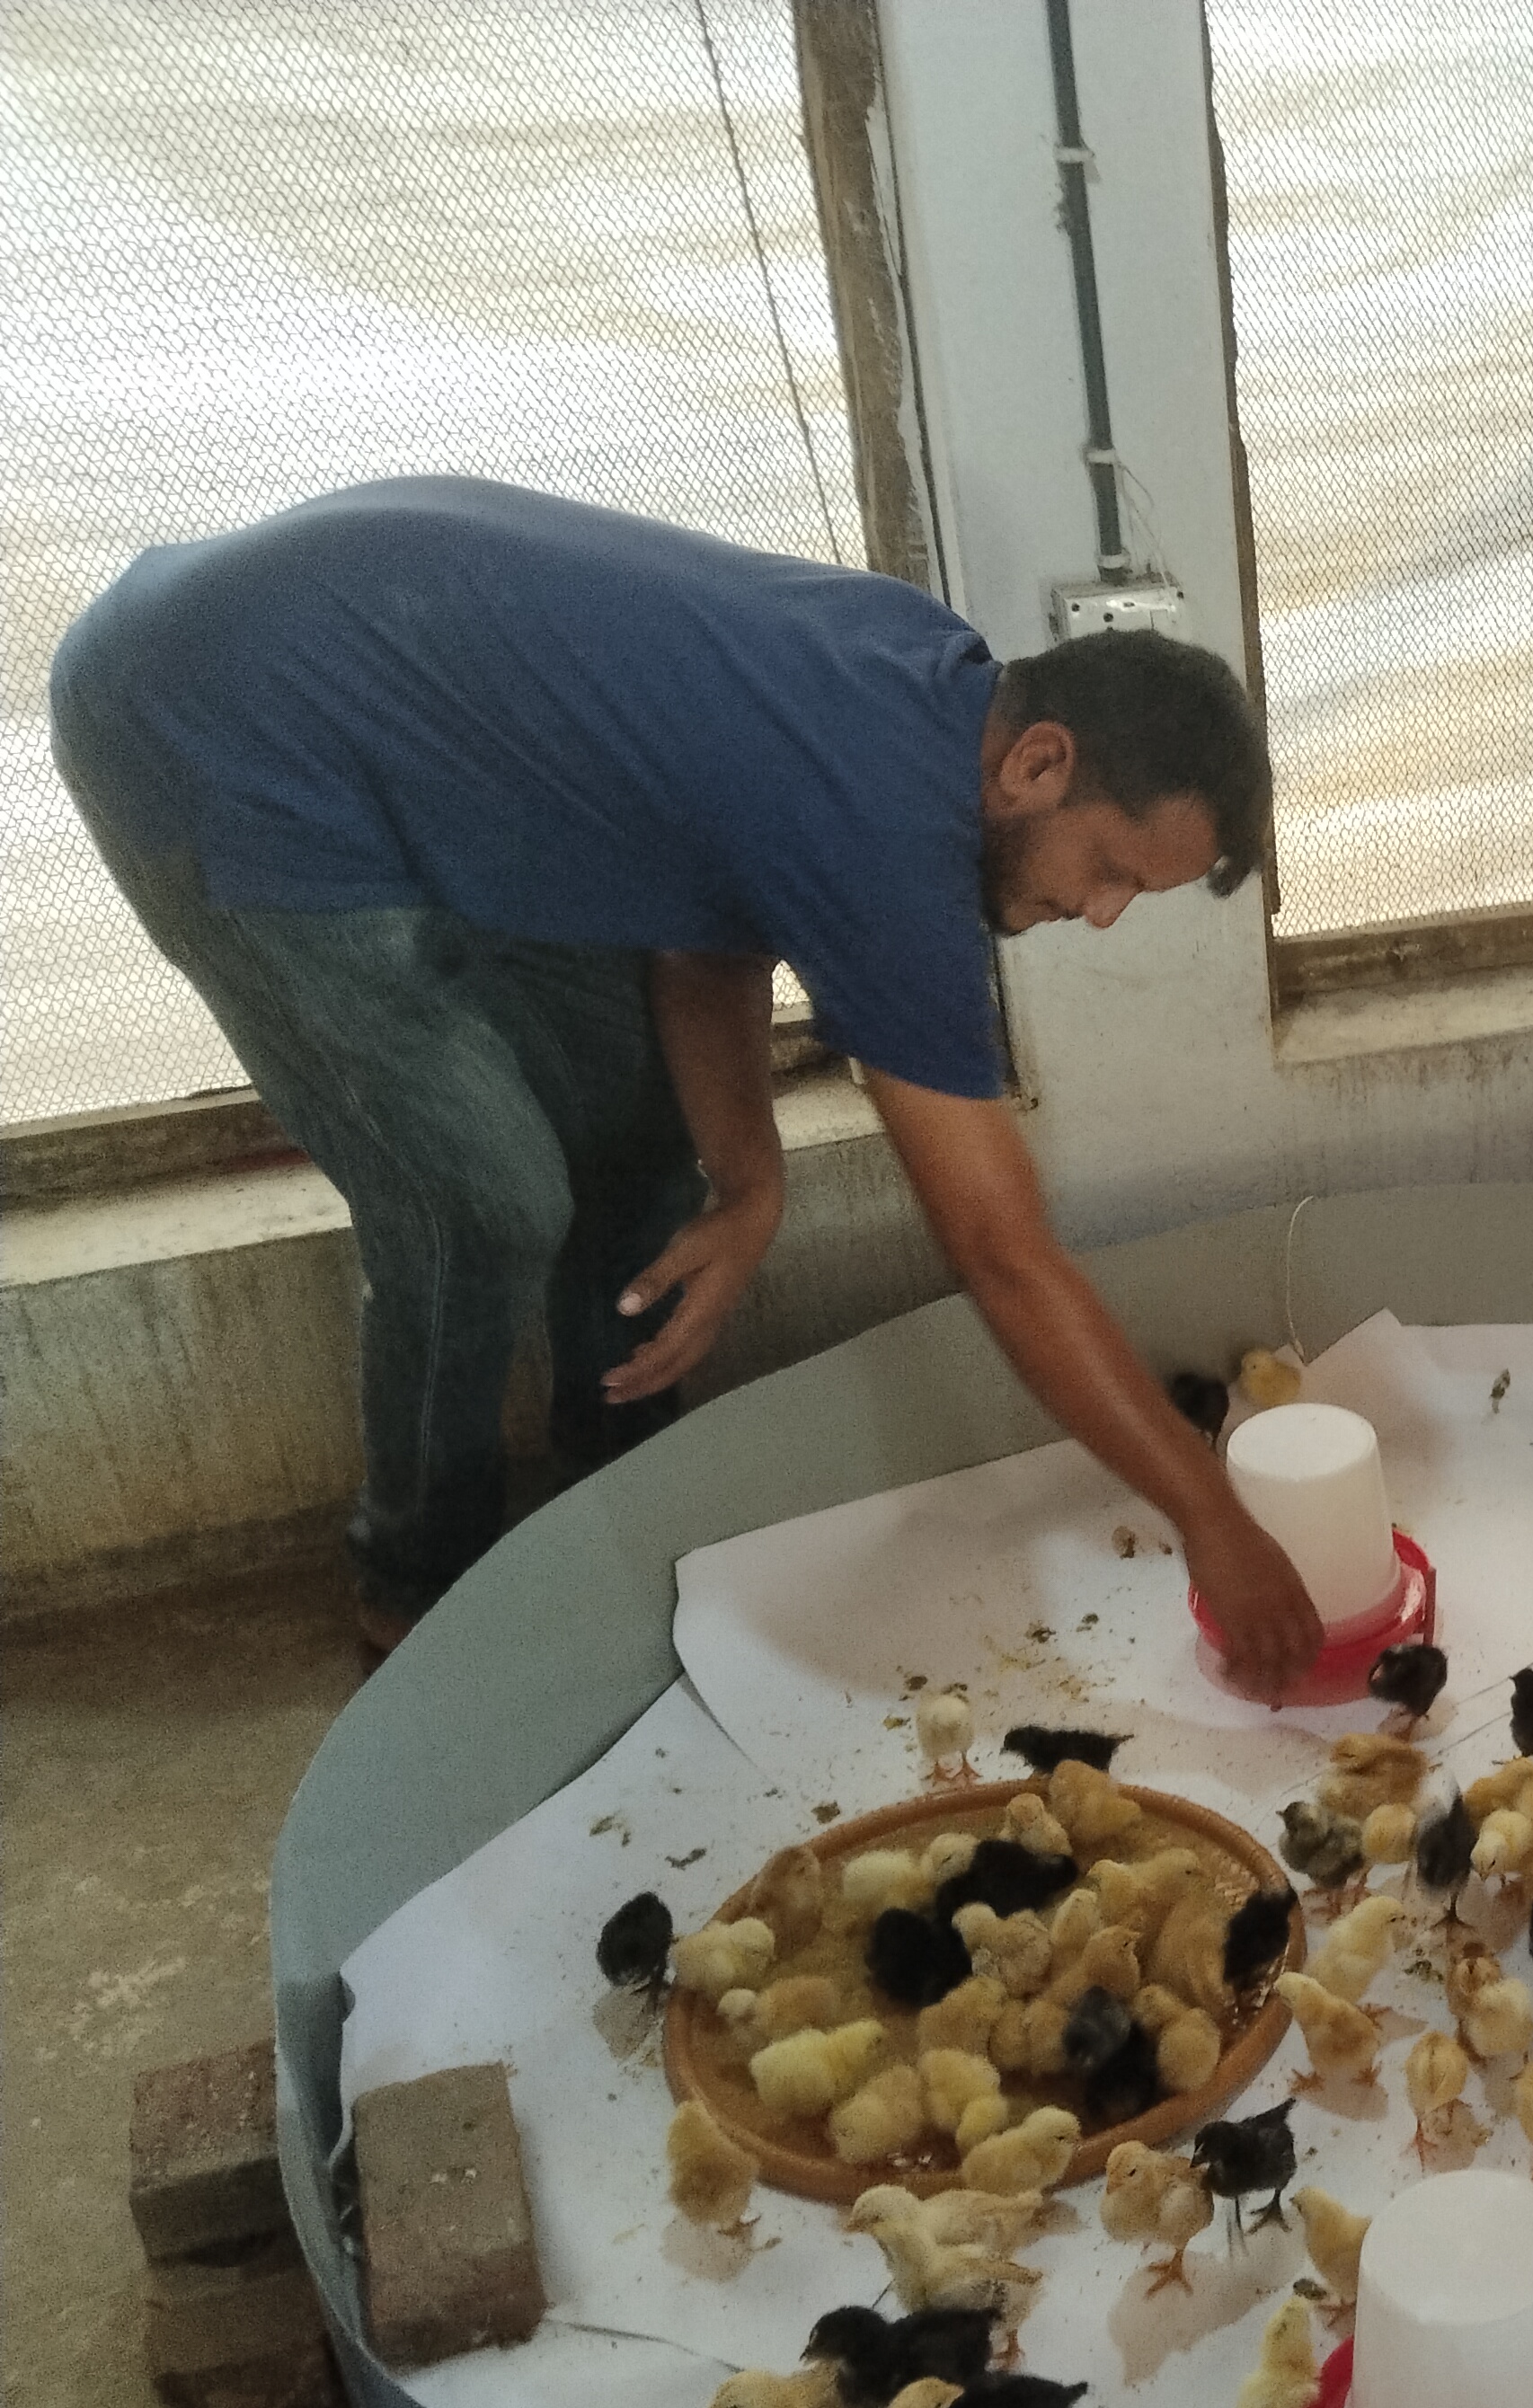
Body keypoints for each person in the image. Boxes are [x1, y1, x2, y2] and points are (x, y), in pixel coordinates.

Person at [48, 474, 1323, 1686]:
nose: (1097, 915)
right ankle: (413, 1585)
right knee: (479, 1198)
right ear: (1038, 765)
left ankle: (612, 1482)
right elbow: (1000, 1251)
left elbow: (710, 929)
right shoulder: (886, 829)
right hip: (198, 714)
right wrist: (1213, 1520)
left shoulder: (925, 680)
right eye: (1109, 871)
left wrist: (750, 1182)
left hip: (356, 702)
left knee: (637, 1140)